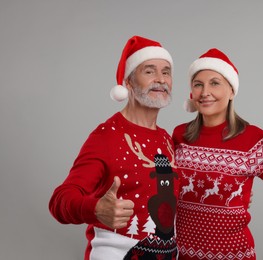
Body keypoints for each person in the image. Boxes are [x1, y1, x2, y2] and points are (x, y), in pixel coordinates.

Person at [172, 48, 263, 259]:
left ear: (231, 91)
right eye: (198, 84)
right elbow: (161, 188)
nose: (205, 92)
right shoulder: (179, 135)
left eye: (215, 83)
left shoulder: (252, 139)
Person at [49, 36, 179, 260]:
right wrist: (96, 209)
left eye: (166, 71)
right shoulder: (106, 137)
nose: (160, 79)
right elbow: (60, 201)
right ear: (128, 82)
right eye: (149, 71)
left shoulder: (167, 139)